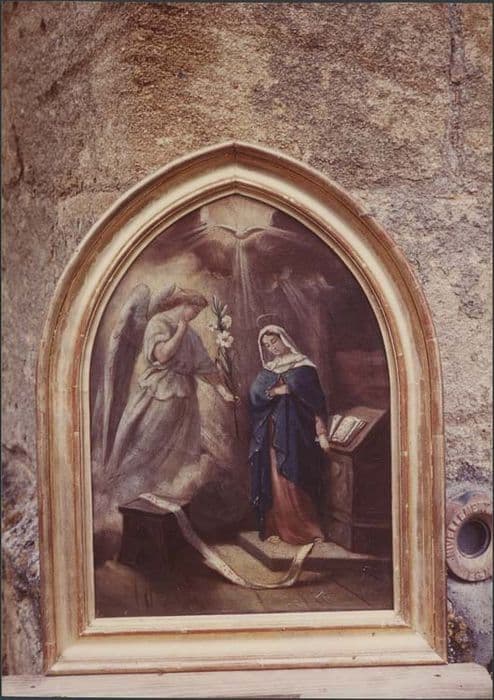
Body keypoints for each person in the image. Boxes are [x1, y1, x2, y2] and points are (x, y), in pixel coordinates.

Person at [100, 288, 236, 527]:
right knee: (149, 445)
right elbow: (162, 355)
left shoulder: (192, 335)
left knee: (179, 454)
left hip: (185, 400)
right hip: (160, 394)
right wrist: (180, 330)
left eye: (197, 312)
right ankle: (125, 499)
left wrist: (223, 390)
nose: (194, 315)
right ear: (183, 304)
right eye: (194, 310)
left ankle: (165, 508)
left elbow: (205, 366)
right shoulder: (158, 323)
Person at [249, 324, 331, 545]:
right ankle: (276, 526)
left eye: (274, 341)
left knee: (295, 475)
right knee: (275, 478)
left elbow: (316, 401)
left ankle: (305, 528)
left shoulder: (303, 365)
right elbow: (255, 395)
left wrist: (288, 390)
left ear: (283, 338)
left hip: (296, 431)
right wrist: (274, 392)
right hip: (273, 431)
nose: (272, 347)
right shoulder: (270, 368)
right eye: (267, 345)